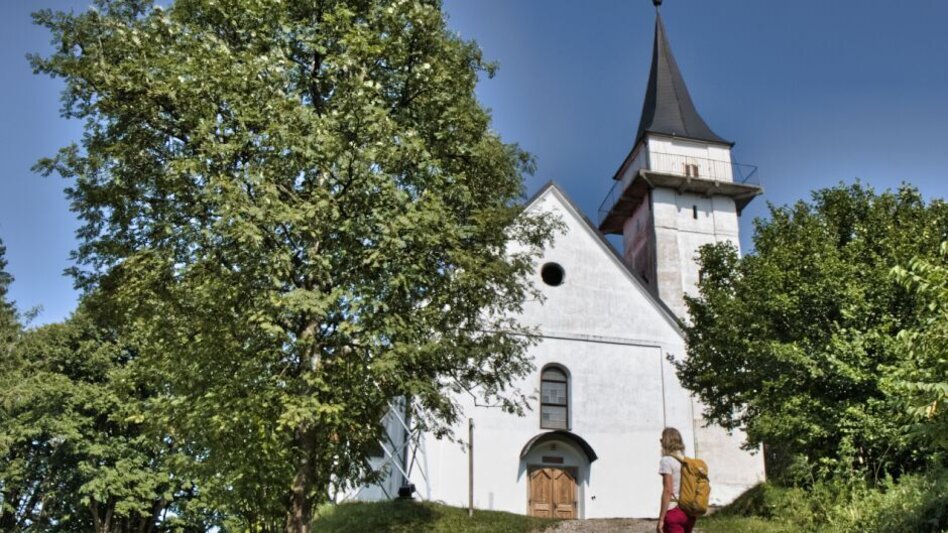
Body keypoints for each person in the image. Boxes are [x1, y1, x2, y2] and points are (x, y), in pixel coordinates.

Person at [656, 427, 696, 533]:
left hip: (674, 511)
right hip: (689, 512)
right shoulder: (686, 462)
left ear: (666, 442)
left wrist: (661, 519)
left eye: (662, 440)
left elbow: (668, 490)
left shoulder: (667, 461)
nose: (660, 442)